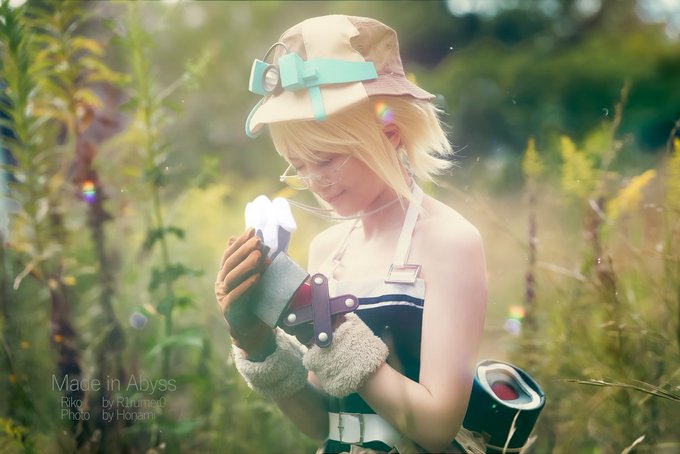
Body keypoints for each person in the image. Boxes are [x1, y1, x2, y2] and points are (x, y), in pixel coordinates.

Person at [215, 15, 487, 454]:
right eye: (298, 166)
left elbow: (437, 428)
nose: (314, 181)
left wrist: (323, 327)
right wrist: (257, 343)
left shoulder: (451, 242)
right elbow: (323, 422)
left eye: (326, 159)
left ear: (389, 134)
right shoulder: (328, 248)